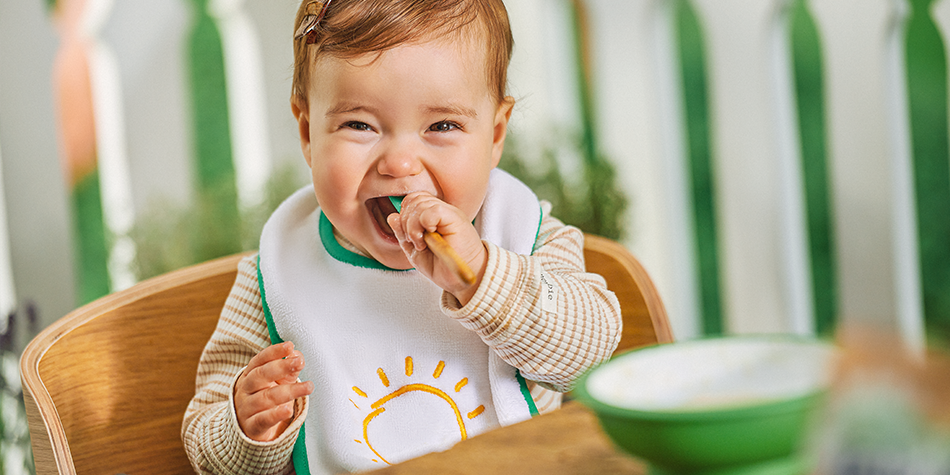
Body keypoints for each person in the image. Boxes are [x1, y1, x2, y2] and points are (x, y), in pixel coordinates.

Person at [181, 0, 622, 473]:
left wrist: (483, 280)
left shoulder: (522, 233)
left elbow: (586, 353)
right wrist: (247, 429)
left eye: (442, 126)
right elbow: (207, 444)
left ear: (495, 135)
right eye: (359, 125)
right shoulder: (278, 271)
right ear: (309, 132)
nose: (399, 163)